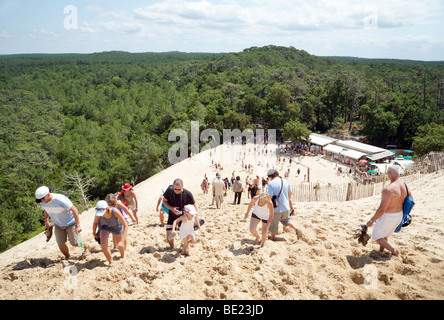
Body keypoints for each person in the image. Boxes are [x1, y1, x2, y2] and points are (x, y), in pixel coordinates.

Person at [366, 165, 411, 259]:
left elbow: (382, 209)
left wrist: (371, 220)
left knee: (377, 236)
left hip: (389, 216)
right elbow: (412, 202)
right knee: (385, 234)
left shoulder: (388, 190)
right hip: (399, 216)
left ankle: (394, 251)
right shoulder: (405, 186)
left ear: (389, 174)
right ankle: (381, 251)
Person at [35, 186, 89, 259]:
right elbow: (46, 210)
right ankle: (68, 257)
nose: (41, 202)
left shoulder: (60, 200)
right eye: (39, 200)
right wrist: (46, 220)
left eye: (42, 199)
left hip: (71, 223)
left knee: (75, 243)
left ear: (48, 194)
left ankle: (86, 246)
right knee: (61, 244)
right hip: (58, 225)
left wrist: (78, 225)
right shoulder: (44, 202)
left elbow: (74, 210)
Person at [92, 196, 128, 265]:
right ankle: (111, 261)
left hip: (116, 226)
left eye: (102, 212)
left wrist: (122, 241)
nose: (101, 215)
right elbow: (95, 222)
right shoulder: (98, 215)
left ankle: (123, 256)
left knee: (120, 245)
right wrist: (94, 232)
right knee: (103, 245)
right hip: (104, 226)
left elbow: (126, 225)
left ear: (107, 209)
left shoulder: (115, 212)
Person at [162, 179, 197, 249]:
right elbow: (164, 202)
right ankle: (172, 247)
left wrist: (195, 219)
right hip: (172, 216)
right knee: (169, 235)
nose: (177, 191)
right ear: (173, 186)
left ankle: (185, 246)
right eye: (175, 189)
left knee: (186, 235)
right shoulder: (169, 190)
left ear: (182, 186)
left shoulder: (188, 194)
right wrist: (171, 208)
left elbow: (194, 206)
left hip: (183, 217)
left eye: (179, 189)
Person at [267, 169, 299, 240]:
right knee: (287, 220)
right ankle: (296, 229)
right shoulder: (286, 182)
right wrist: (291, 207)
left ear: (271, 176)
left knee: (273, 224)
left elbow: (269, 197)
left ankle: (273, 238)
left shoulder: (271, 184)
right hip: (286, 207)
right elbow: (290, 195)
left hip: (276, 208)